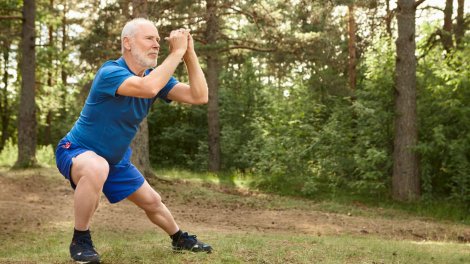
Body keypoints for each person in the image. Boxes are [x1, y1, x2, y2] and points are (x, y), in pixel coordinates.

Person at [55, 18, 212, 264]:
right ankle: (80, 239)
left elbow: (199, 95)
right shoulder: (111, 72)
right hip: (77, 150)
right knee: (97, 167)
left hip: (115, 160)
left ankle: (179, 239)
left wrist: (189, 54)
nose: (157, 44)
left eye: (159, 39)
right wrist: (177, 52)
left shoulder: (154, 78)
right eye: (149, 38)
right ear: (127, 43)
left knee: (153, 202)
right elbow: (148, 88)